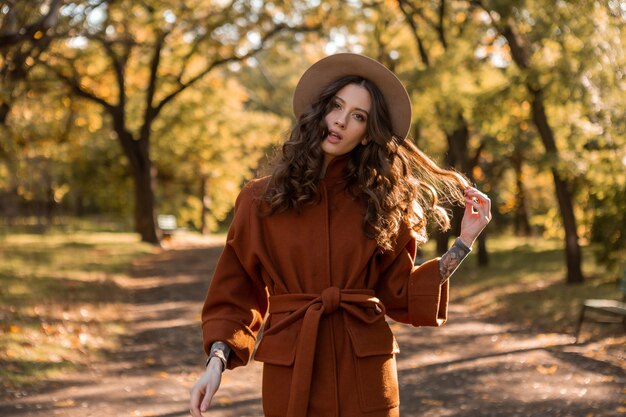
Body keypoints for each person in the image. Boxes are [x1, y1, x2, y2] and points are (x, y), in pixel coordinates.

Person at [189, 53, 491, 417]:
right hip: (292, 371)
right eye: (336, 106)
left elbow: (401, 294)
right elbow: (234, 292)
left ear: (367, 135)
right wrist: (215, 363)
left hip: (366, 374)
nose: (341, 121)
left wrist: (463, 243)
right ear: (320, 111)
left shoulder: (382, 204)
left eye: (358, 116)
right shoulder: (259, 200)